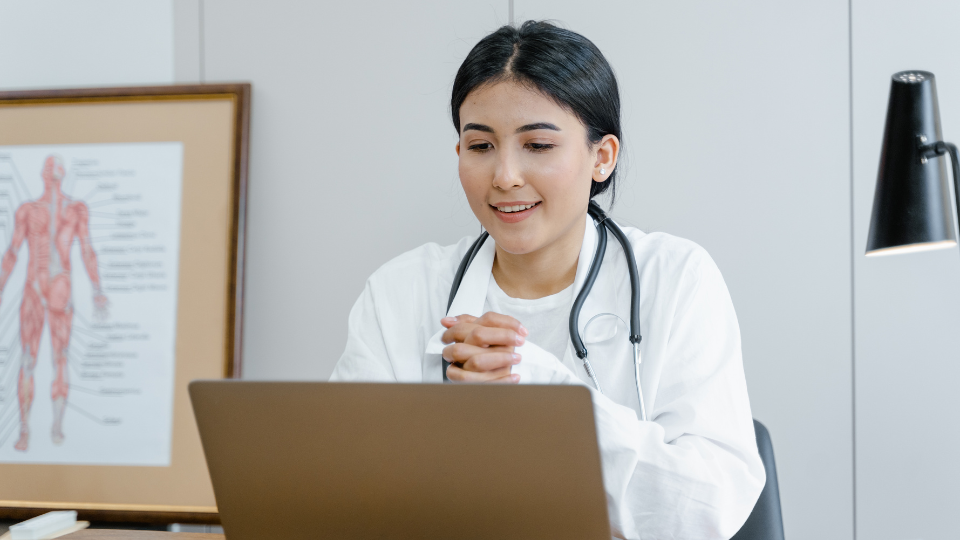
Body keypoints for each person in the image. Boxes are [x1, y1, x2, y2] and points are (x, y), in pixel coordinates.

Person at [331, 21, 764, 539]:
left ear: (601, 157)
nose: (505, 175)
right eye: (480, 146)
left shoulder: (675, 279)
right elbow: (341, 494)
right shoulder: (400, 293)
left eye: (537, 145)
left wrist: (549, 399)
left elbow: (707, 508)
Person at [0, 155, 108, 451]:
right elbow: (12, 252)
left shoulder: (72, 210)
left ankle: (48, 427)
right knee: (34, 358)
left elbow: (87, 250)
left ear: (47, 175)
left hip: (51, 287)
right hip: (43, 288)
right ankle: (32, 430)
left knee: (52, 358)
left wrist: (98, 288)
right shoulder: (35, 210)